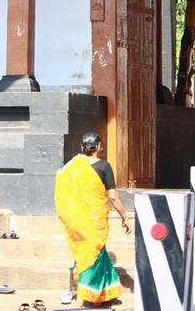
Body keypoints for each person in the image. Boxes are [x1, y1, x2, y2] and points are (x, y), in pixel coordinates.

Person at [55, 131, 131, 307]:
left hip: (78, 220)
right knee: (91, 256)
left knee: (93, 254)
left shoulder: (71, 166)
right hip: (94, 220)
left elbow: (61, 184)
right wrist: (125, 217)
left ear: (82, 147)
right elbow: (113, 197)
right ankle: (84, 296)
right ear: (99, 147)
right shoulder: (104, 166)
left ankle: (105, 293)